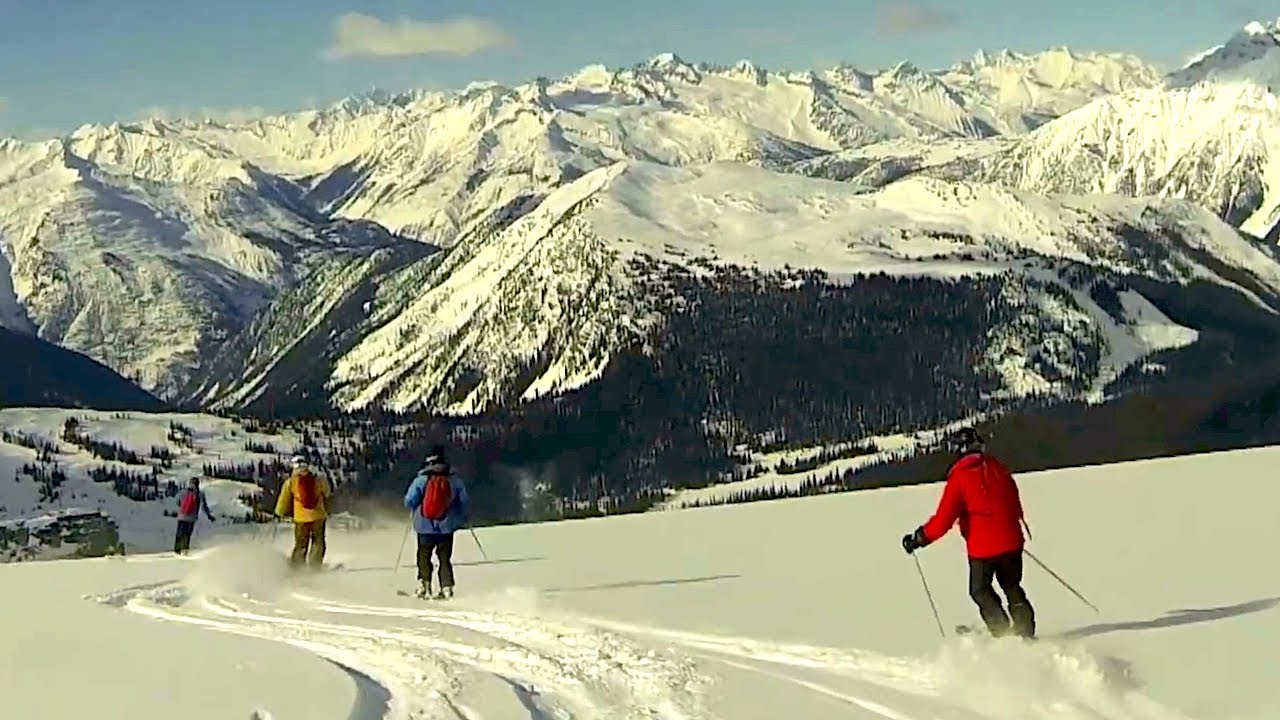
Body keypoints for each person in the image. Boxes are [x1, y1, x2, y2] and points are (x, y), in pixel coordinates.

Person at [901, 427, 1036, 639]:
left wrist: (919, 538)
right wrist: (1010, 530)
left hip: (983, 548)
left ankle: (1003, 634)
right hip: (1012, 541)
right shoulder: (998, 468)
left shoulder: (960, 478)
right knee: (1012, 586)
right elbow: (1014, 502)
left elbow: (943, 520)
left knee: (980, 591)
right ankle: (1026, 633)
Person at [403, 445, 471, 599]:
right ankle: (446, 587)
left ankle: (424, 586)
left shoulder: (421, 480)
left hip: (424, 526)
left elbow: (409, 501)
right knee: (444, 558)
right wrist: (461, 517)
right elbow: (464, 501)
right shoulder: (454, 480)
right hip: (447, 527)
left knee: (423, 556)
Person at [274, 455, 331, 570]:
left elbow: (283, 502)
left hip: (300, 519)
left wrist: (280, 513)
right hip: (318, 516)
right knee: (318, 543)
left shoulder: (290, 483)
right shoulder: (318, 480)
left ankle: (297, 569)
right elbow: (327, 492)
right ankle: (315, 567)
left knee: (301, 544)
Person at [174, 477, 216, 554]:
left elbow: (177, 502)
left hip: (181, 516)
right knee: (187, 534)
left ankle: (177, 551)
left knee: (179, 534)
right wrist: (210, 516)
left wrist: (182, 508)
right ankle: (185, 550)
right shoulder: (200, 494)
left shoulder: (183, 492)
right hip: (191, 518)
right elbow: (204, 507)